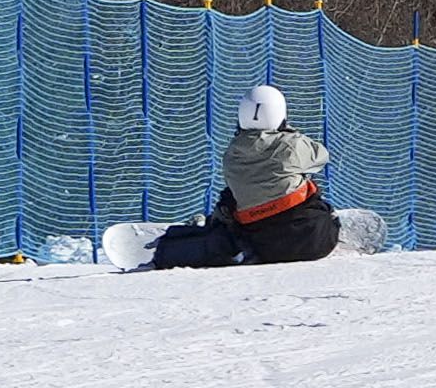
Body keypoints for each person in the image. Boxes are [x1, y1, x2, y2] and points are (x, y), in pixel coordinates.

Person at [146, 83, 341, 268]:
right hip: (315, 240)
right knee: (304, 183)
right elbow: (321, 156)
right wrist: (290, 134)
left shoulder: (231, 154)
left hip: (263, 246)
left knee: (232, 195)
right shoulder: (291, 144)